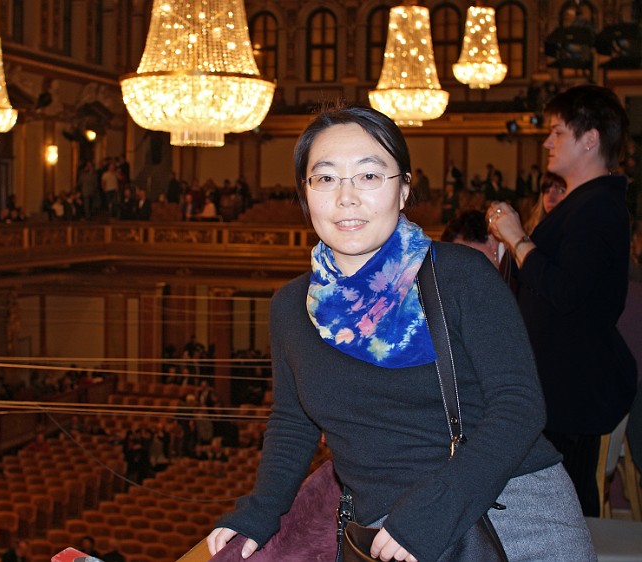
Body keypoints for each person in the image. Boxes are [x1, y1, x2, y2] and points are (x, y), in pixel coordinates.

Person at [207, 104, 594, 561]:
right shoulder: (290, 307)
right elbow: (293, 424)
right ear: (305, 194)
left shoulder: (461, 275)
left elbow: (520, 406)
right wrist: (259, 512)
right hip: (384, 527)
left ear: (405, 189)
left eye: (369, 176)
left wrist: (432, 513)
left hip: (509, 506)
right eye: (325, 178)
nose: (345, 198)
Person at [487, 84, 638, 517]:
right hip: (561, 388)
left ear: (590, 139)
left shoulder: (597, 208)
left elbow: (567, 293)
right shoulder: (584, 204)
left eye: (557, 132)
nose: (547, 141)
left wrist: (516, 237)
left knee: (566, 515)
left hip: (573, 391)